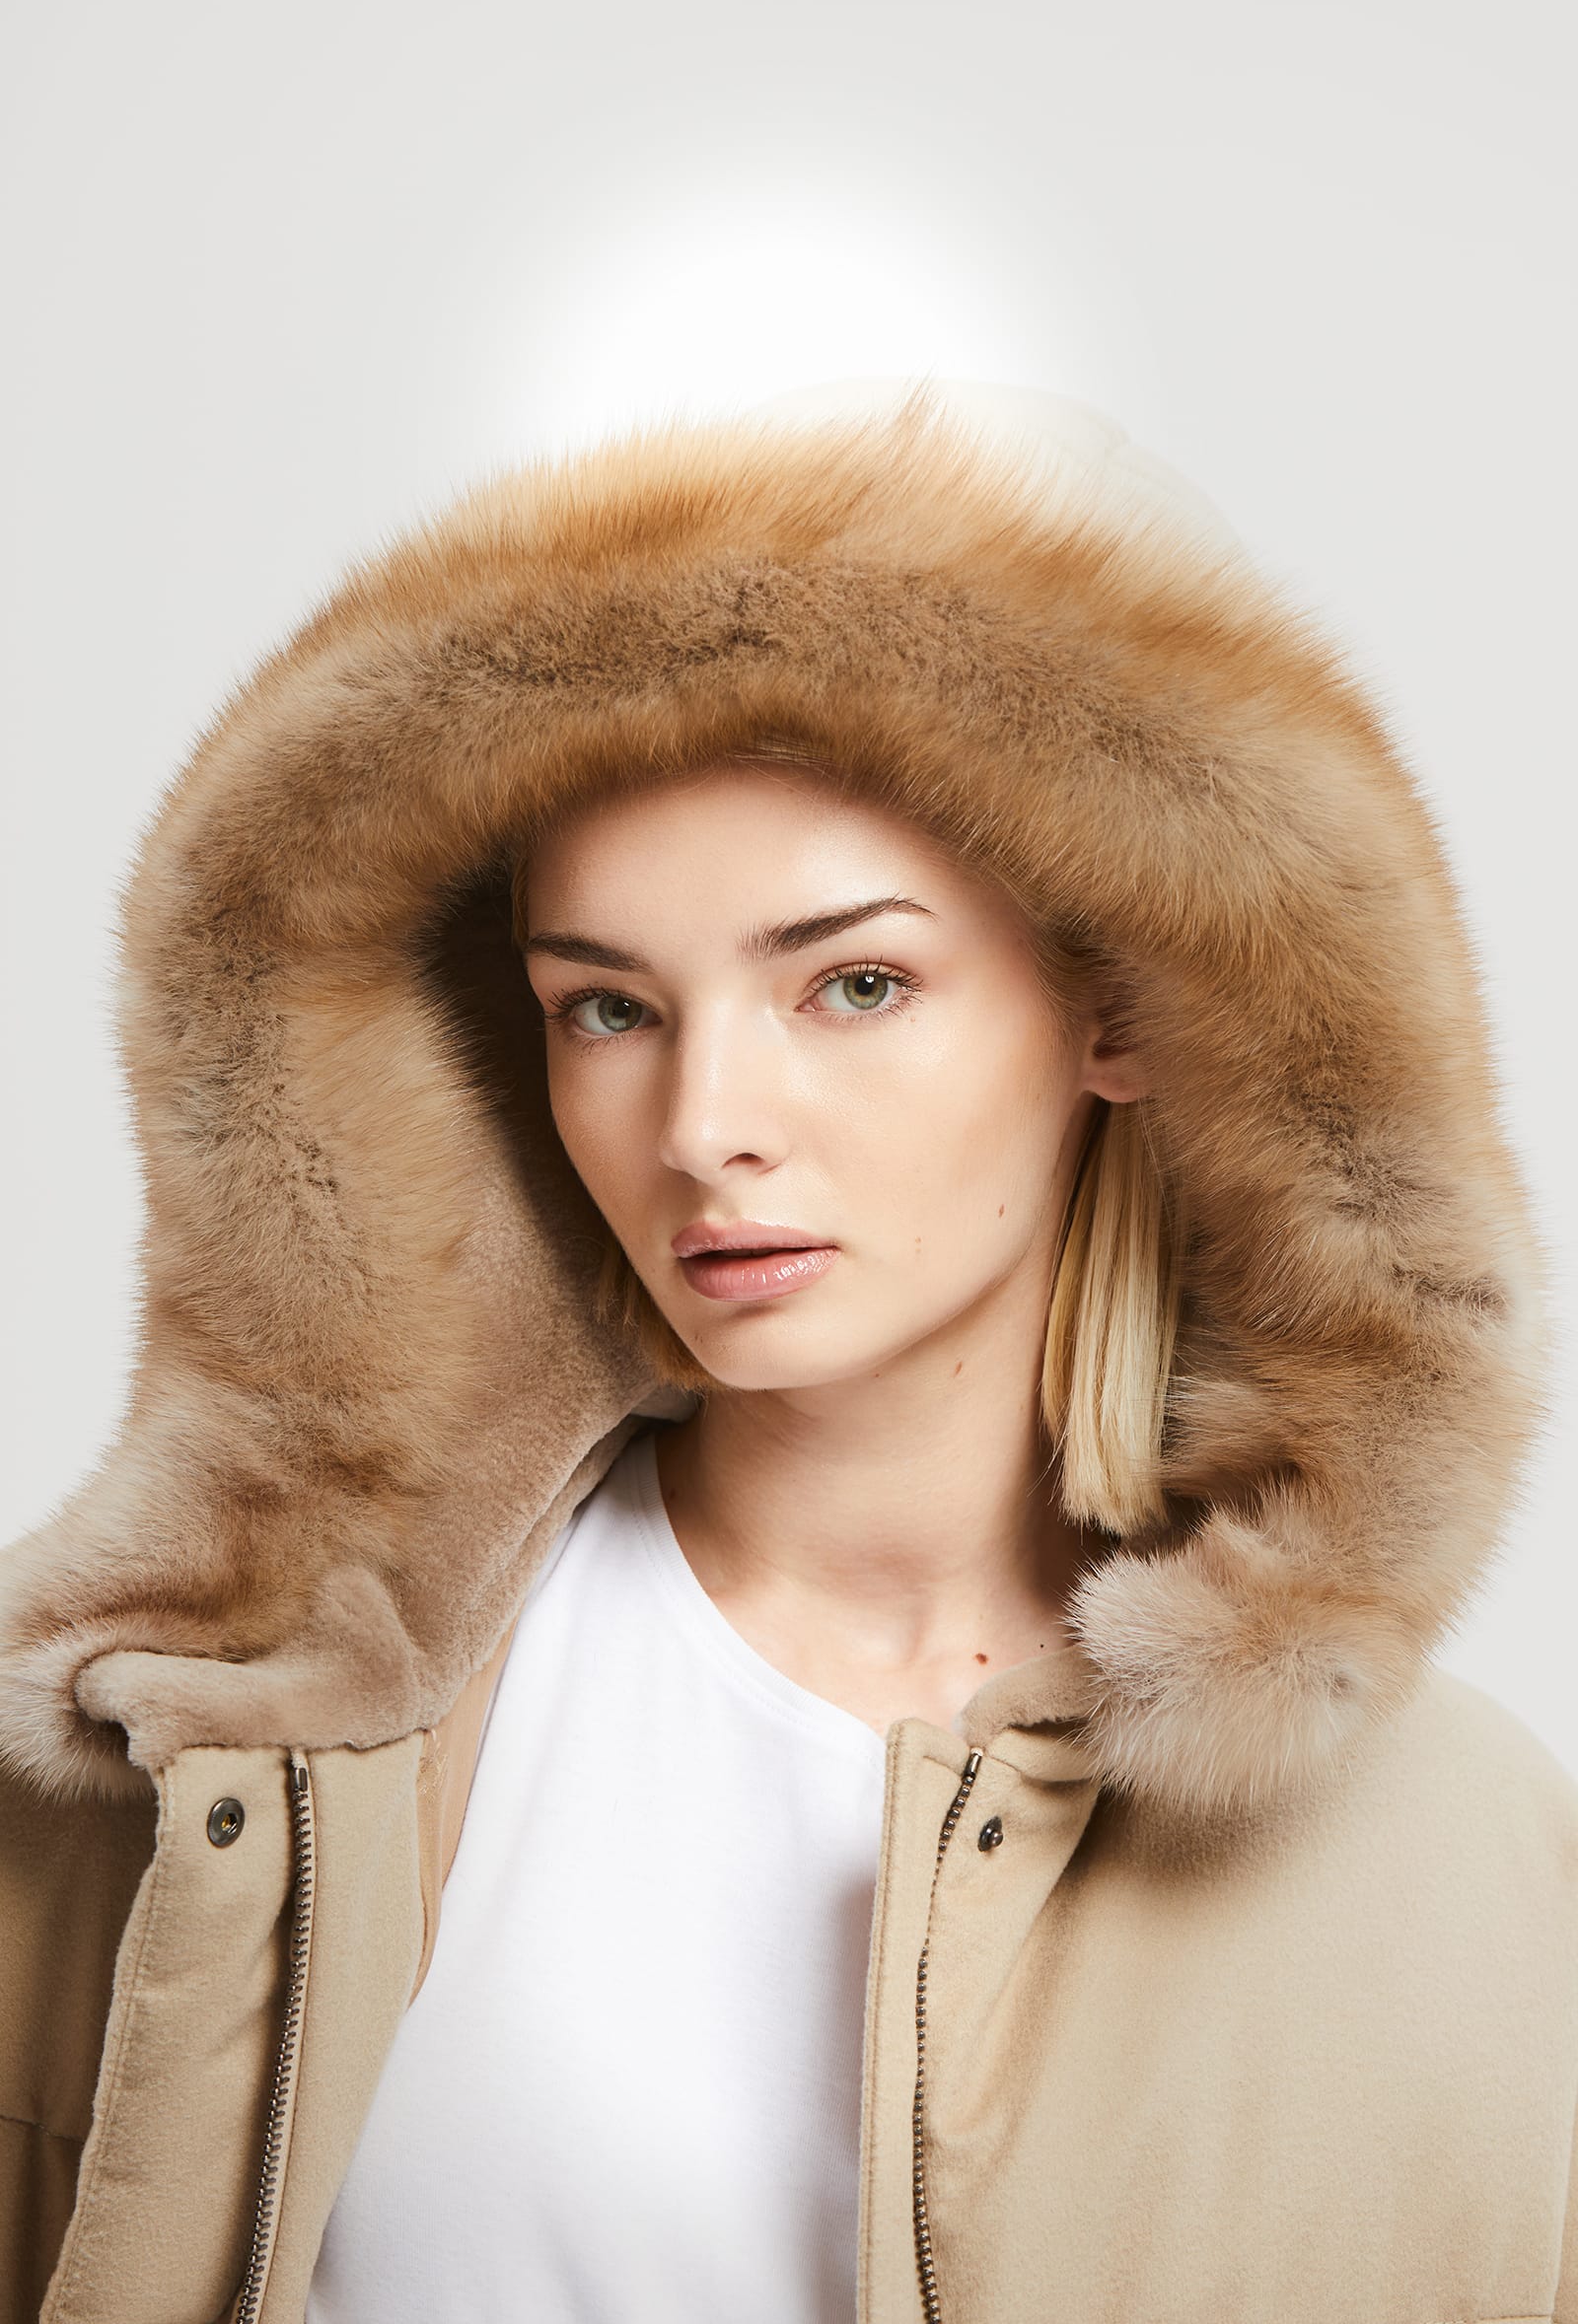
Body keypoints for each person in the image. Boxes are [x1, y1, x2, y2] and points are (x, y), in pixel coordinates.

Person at [1, 376, 1573, 2324]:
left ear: (1121, 1004)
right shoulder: (228, 1739)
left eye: (853, 982)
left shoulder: (1469, 1873)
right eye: (605, 1007)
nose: (703, 1125)